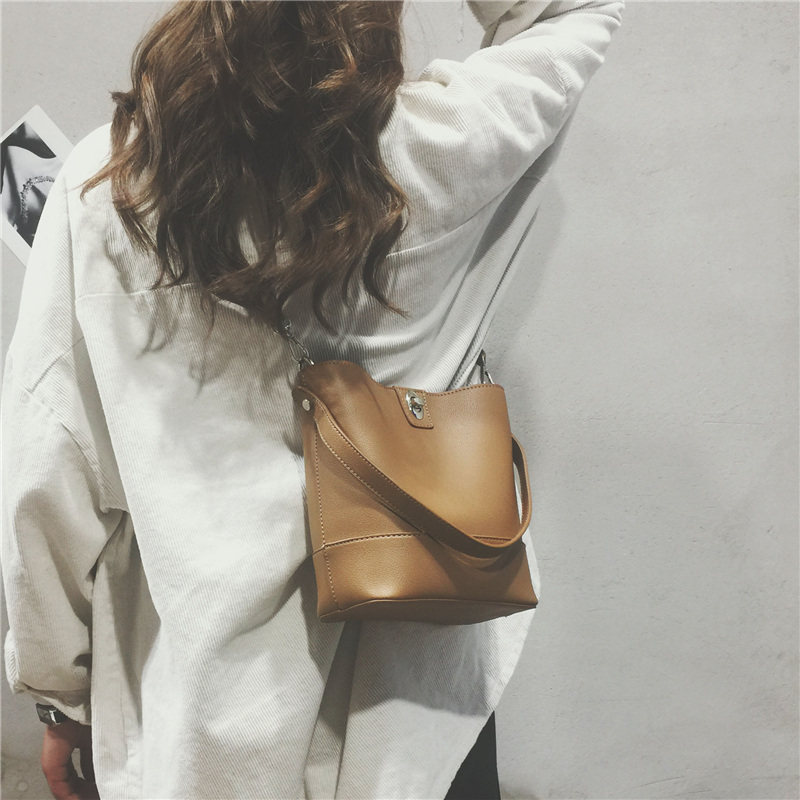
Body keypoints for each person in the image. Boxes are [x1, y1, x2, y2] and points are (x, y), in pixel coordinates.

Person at [0, 0, 625, 797]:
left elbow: (49, 466)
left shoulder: (109, 191)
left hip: (199, 719)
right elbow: (575, 10)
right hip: (414, 715)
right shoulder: (452, 145)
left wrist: (60, 696)